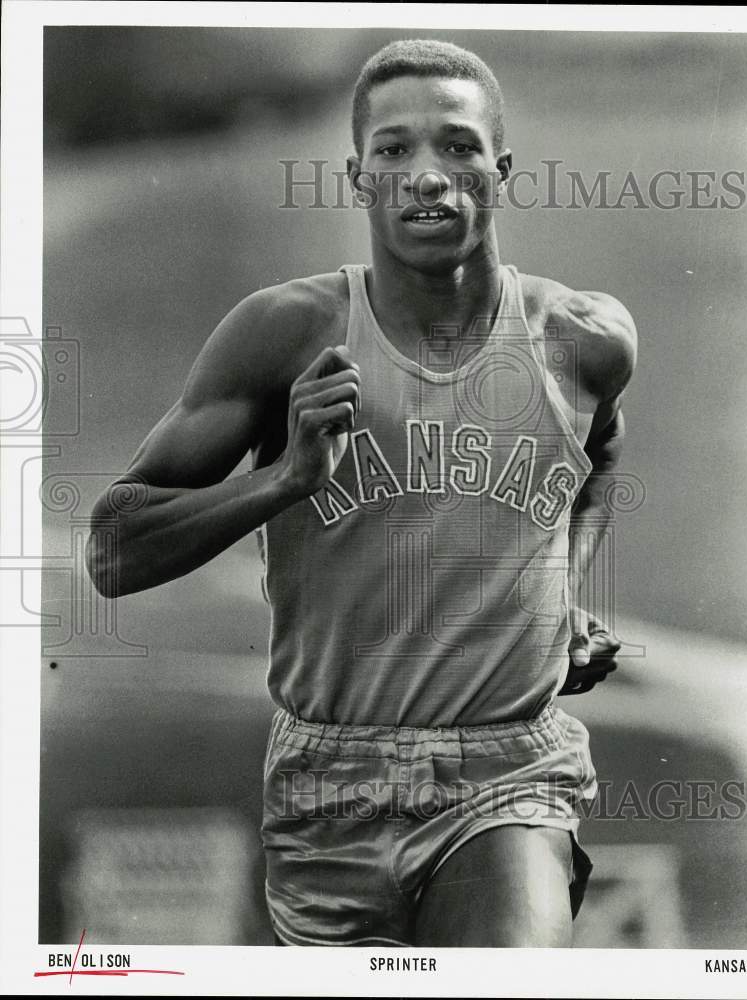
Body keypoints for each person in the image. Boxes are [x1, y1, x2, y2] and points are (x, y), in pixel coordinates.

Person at [86, 38, 636, 948]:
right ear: (358, 178)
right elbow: (113, 547)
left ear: (500, 170)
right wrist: (284, 479)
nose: (427, 175)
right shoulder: (284, 331)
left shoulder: (582, 337)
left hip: (509, 772)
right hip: (326, 780)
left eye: (457, 146)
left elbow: (602, 446)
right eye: (394, 150)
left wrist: (565, 592)